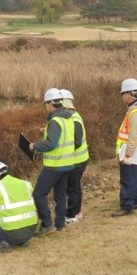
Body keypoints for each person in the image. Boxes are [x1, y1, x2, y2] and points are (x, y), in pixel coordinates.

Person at [29, 88, 76, 236]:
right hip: (68, 164)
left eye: (46, 104)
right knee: (60, 195)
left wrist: (34, 145)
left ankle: (47, 224)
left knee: (38, 194)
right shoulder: (68, 118)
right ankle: (60, 223)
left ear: (50, 104)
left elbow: (51, 144)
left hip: (55, 165)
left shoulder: (55, 121)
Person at [0, 161, 38, 253]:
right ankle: (22, 242)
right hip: (29, 233)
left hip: (12, 236)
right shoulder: (26, 184)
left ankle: (3, 243)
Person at [112, 79, 137, 217]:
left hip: (131, 150)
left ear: (128, 94)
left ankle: (127, 206)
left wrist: (128, 154)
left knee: (127, 178)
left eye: (122, 93)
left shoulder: (135, 112)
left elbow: (133, 135)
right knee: (135, 176)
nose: (122, 96)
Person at [59, 89, 89, 224]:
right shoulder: (70, 117)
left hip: (77, 160)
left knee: (73, 188)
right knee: (73, 187)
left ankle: (74, 214)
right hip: (76, 159)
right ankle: (74, 211)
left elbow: (76, 142)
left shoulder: (75, 119)